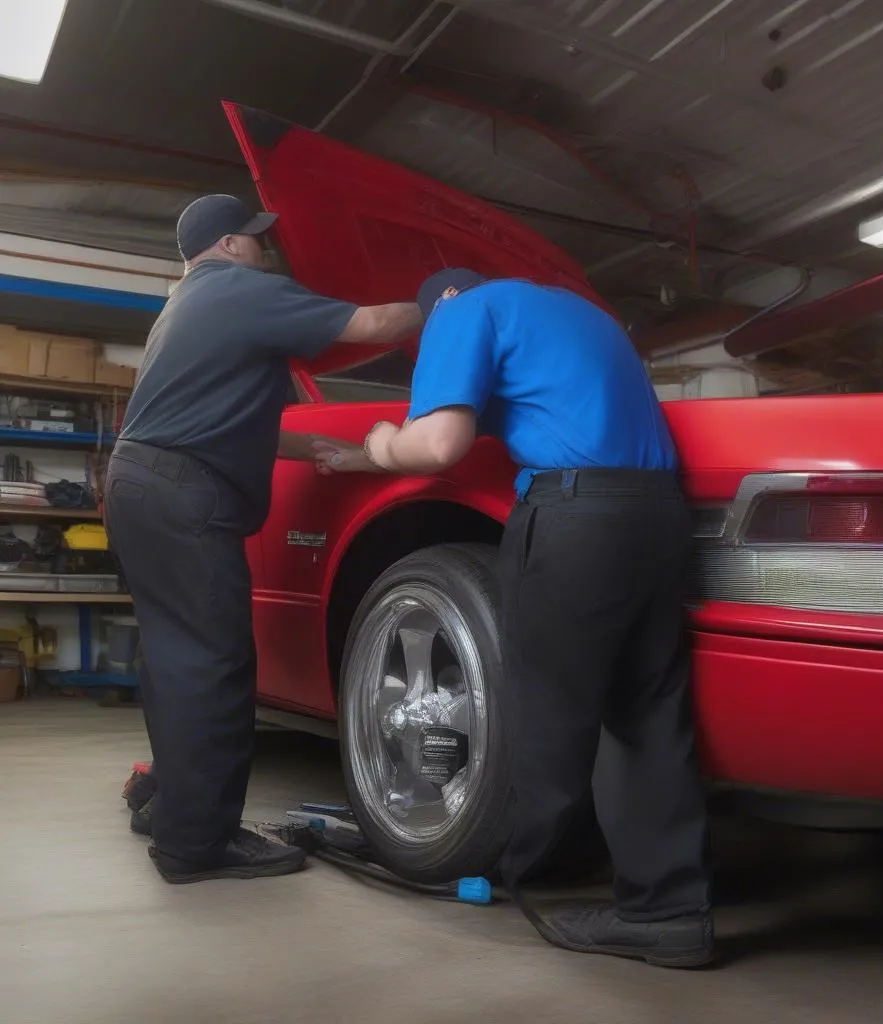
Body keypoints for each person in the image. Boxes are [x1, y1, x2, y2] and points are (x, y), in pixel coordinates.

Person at [315, 268, 713, 968]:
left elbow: (439, 444)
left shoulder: (462, 312)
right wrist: (356, 459)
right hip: (655, 513)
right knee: (647, 715)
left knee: (544, 709)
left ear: (440, 301)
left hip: (576, 518)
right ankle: (669, 911)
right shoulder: (581, 316)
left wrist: (379, 443)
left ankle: (520, 873)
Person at [105, 194, 420, 884]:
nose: (265, 248)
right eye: (255, 238)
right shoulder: (242, 288)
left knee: (173, 661)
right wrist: (442, 297)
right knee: (214, 667)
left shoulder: (183, 309)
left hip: (138, 484)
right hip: (183, 494)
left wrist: (334, 452)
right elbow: (374, 322)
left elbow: (261, 428)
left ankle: (170, 805)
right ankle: (198, 844)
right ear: (226, 245)